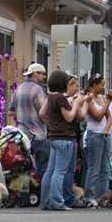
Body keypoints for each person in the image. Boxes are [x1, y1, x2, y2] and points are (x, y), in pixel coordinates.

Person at [38, 70, 89, 211]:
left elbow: (42, 113)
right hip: (64, 137)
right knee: (60, 171)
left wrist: (52, 125)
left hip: (53, 137)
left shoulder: (51, 97)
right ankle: (56, 202)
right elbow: (69, 117)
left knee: (50, 171)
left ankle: (46, 201)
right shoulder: (60, 98)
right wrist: (77, 103)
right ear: (63, 83)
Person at [8, 63, 49, 177]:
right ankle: (42, 193)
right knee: (43, 168)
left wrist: (23, 110)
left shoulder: (19, 89)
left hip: (22, 135)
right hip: (38, 134)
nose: (44, 77)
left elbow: (11, 111)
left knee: (24, 168)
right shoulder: (37, 89)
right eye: (43, 74)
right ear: (36, 74)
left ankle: (25, 193)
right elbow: (43, 113)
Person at [82, 75, 112, 207]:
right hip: (94, 136)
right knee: (94, 169)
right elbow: (98, 117)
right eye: (102, 85)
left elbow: (109, 117)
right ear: (94, 85)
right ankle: (89, 196)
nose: (104, 87)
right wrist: (108, 102)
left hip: (105, 136)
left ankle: (103, 197)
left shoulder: (101, 98)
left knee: (105, 169)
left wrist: (107, 129)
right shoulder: (89, 99)